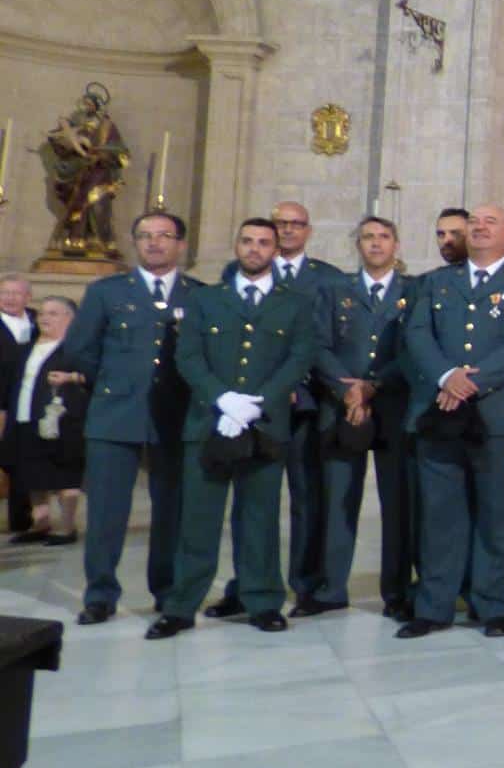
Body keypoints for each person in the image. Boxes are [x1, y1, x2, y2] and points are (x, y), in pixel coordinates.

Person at [147, 218, 317, 639]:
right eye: (247, 241)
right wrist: (222, 400)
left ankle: (262, 600)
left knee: (259, 516)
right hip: (209, 421)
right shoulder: (207, 299)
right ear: (236, 245)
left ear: (276, 250)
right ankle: (182, 605)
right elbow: (188, 357)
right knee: (198, 519)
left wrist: (256, 403)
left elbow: (298, 358)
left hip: (264, 423)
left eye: (263, 243)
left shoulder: (294, 302)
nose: (254, 249)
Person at [400, 203, 504, 639]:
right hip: (441, 412)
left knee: (498, 515)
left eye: (491, 222)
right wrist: (448, 376)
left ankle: (495, 606)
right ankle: (434, 606)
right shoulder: (436, 283)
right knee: (440, 515)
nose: (481, 228)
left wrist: (471, 382)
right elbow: (417, 334)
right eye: (475, 222)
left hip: (497, 415)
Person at [56, 210, 194, 625]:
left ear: (180, 244)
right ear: (135, 243)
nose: (154, 243)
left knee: (171, 510)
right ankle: (100, 594)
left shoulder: (200, 295)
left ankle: (167, 590)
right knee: (106, 512)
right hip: (115, 414)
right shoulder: (106, 291)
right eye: (145, 235)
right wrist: (111, 381)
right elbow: (79, 348)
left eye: (164, 236)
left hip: (173, 416)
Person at [229, 201, 346, 617]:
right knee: (252, 498)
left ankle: (306, 583)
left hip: (308, 404)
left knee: (306, 497)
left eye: (297, 224)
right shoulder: (241, 273)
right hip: (253, 405)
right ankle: (244, 584)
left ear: (309, 231)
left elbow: (324, 338)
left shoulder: (329, 278)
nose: (290, 230)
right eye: (283, 224)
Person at [309, 216, 418, 619]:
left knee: (397, 503)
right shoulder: (335, 290)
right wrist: (346, 388)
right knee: (339, 498)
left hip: (393, 407)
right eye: (368, 237)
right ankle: (331, 586)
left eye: (384, 237)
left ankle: (397, 591)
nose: (375, 244)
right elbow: (318, 344)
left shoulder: (414, 291)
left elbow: (412, 349)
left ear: (397, 244)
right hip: (343, 408)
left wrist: (374, 385)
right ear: (357, 244)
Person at [4, 297, 87, 545]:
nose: (44, 318)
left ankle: (67, 527)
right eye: (42, 313)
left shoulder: (77, 348)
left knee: (63, 474)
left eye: (53, 313)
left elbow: (95, 376)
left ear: (70, 319)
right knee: (31, 472)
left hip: (63, 420)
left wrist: (71, 377)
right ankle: (40, 522)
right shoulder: (27, 348)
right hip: (25, 417)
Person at [0, 274, 34, 536]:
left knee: (22, 459)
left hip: (29, 403)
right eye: (4, 293)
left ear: (27, 297)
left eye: (16, 293)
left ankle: (21, 520)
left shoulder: (38, 321)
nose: (10, 298)